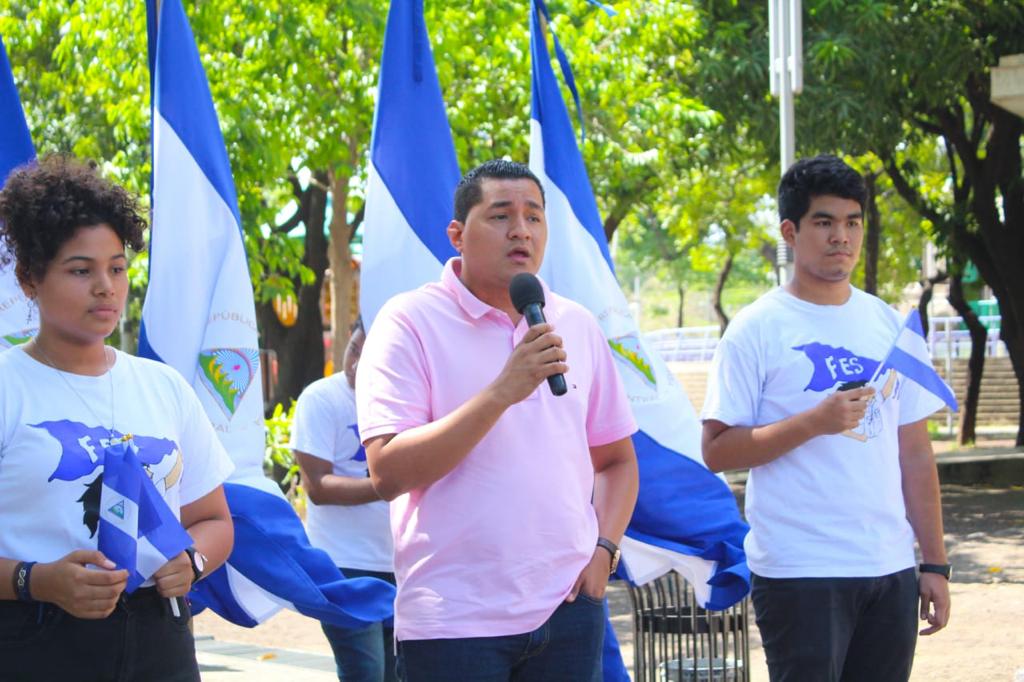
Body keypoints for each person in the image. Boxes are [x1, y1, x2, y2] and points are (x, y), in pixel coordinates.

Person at [355, 159, 639, 681]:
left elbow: (617, 461)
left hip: (569, 609)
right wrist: (502, 392)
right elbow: (387, 472)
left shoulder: (575, 323)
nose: (521, 231)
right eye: (501, 215)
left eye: (534, 217)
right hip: (454, 620)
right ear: (457, 235)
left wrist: (604, 551)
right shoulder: (408, 321)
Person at [701, 155, 952, 682]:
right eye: (824, 222)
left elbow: (914, 452)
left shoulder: (889, 324)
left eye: (852, 222)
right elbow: (717, 451)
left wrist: (933, 562)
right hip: (800, 571)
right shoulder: (756, 328)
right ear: (790, 232)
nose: (841, 236)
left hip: (888, 567)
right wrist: (813, 422)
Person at [0, 156, 235, 680]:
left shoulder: (164, 387)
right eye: (81, 270)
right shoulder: (8, 387)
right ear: (29, 278)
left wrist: (192, 561)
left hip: (161, 640)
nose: (106, 286)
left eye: (118, 267)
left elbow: (214, 520)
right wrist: (36, 580)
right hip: (34, 639)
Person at [291, 317, 397, 682]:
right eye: (354, 350)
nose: (356, 364)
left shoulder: (405, 401)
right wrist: (391, 482)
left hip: (402, 563)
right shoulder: (322, 399)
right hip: (343, 565)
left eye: (370, 357)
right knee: (366, 672)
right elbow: (317, 488)